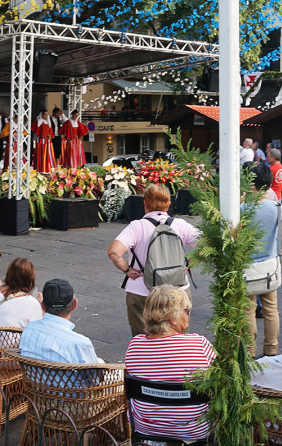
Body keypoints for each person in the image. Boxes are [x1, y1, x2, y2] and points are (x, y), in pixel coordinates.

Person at [124, 285, 215, 444]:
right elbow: (219, 377)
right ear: (173, 318)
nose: (188, 315)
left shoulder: (135, 346)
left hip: (147, 428)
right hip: (194, 429)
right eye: (186, 311)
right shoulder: (199, 344)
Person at [107, 184, 200, 336]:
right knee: (179, 338)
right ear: (168, 203)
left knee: (143, 339)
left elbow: (114, 252)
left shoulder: (136, 227)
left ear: (145, 203)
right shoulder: (180, 225)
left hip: (142, 290)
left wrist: (128, 270)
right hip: (177, 289)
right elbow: (208, 244)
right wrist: (191, 262)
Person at [243, 163, 282, 357]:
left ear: (251, 183)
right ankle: (271, 349)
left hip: (247, 265)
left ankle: (250, 350)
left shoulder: (243, 208)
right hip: (270, 264)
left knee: (248, 309)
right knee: (271, 309)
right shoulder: (277, 207)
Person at [20, 279, 101, 363]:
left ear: (42, 306)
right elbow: (95, 375)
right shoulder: (81, 344)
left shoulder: (28, 329)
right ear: (74, 305)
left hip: (33, 376)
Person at [0, 257, 43, 328]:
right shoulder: (32, 303)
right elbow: (37, 326)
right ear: (30, 278)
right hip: (15, 339)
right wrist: (38, 303)